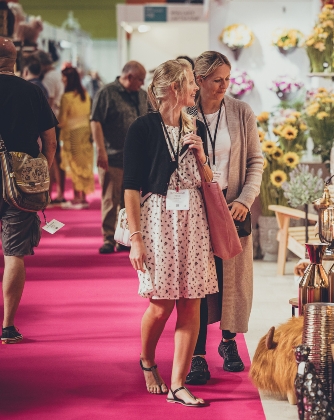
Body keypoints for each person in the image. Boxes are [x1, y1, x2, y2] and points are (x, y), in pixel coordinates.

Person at [124, 58, 217, 407]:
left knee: (191, 304)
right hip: (157, 221)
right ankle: (147, 361)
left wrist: (201, 155)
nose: (197, 87)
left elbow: (208, 181)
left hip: (193, 220)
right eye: (192, 82)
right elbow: (130, 187)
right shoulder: (143, 128)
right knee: (160, 305)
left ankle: (178, 384)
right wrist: (136, 239)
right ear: (174, 88)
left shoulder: (197, 126)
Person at [185, 51, 263, 385]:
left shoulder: (241, 112)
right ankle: (197, 353)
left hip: (233, 208)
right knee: (200, 282)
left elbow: (256, 162)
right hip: (196, 209)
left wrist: (246, 199)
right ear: (199, 80)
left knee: (233, 280)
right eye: (217, 80)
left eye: (227, 79)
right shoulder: (184, 114)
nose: (224, 86)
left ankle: (229, 342)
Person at [0, 37, 57, 343]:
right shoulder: (32, 91)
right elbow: (50, 141)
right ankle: (8, 326)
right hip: (21, 182)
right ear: (16, 59)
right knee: (14, 253)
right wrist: (42, 173)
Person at [91, 61, 148, 254]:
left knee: (130, 200)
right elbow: (96, 121)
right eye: (140, 79)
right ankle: (108, 238)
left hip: (137, 158)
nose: (142, 83)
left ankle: (125, 238)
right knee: (110, 198)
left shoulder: (142, 95)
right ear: (129, 76)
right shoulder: (107, 93)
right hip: (112, 155)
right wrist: (101, 150)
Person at [58, 66, 94, 208]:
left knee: (74, 164)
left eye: (63, 78)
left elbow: (62, 120)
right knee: (84, 163)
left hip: (72, 134)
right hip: (85, 132)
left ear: (68, 79)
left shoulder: (66, 97)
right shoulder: (84, 95)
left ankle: (77, 197)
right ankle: (83, 196)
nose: (62, 80)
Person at [36, 50, 66, 205]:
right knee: (57, 158)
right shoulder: (56, 74)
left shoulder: (48, 78)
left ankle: (49, 192)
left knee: (50, 157)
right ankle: (58, 191)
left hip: (50, 122)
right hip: (57, 119)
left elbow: (49, 101)